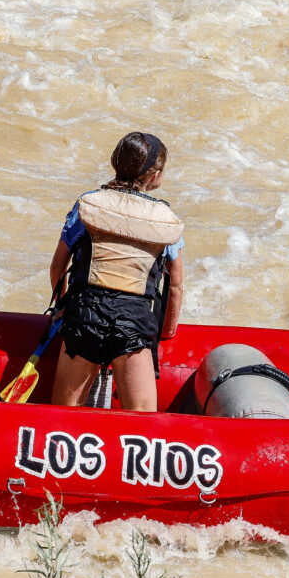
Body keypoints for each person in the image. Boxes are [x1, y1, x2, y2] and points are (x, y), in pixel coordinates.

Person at [50, 132, 184, 412]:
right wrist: (167, 331)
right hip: (134, 324)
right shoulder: (167, 220)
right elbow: (175, 286)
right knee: (142, 430)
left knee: (62, 419)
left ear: (115, 163)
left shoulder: (88, 204)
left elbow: (58, 265)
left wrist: (62, 307)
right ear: (155, 176)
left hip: (85, 316)